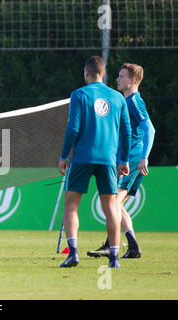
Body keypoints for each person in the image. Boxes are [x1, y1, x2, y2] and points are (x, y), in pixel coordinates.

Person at [58, 56, 131, 268]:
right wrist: (124, 159)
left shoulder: (79, 94)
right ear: (104, 74)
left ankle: (73, 253)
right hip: (108, 160)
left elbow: (73, 128)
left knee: (71, 205)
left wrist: (64, 156)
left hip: (82, 158)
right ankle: (115, 258)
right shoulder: (117, 98)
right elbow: (126, 131)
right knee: (111, 208)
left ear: (85, 73)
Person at [87, 63, 155, 259]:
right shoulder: (125, 101)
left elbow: (150, 129)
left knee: (112, 203)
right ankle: (131, 246)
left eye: (121, 76)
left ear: (132, 80)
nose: (117, 79)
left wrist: (144, 157)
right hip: (129, 159)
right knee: (116, 204)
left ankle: (112, 245)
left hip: (132, 160)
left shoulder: (134, 101)